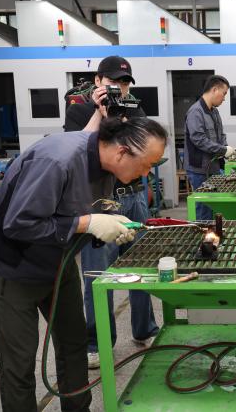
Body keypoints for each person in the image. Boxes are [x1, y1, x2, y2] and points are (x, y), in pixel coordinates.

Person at [0, 116, 167, 411]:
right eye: (146, 165)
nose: (146, 174)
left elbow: (84, 210)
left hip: (57, 263)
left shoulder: (105, 168)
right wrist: (86, 223)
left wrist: (108, 224)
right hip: (11, 267)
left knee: (74, 346)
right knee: (19, 363)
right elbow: (18, 224)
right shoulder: (58, 161)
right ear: (122, 152)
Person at [64, 55, 159, 369]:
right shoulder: (79, 108)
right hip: (102, 202)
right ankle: (96, 341)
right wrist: (99, 111)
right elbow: (77, 148)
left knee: (143, 268)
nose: (119, 88)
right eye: (113, 82)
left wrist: (125, 114)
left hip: (135, 198)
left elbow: (144, 147)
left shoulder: (134, 107)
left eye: (125, 82)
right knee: (97, 275)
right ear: (97, 81)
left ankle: (145, 329)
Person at [184, 74, 235, 220]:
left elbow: (220, 134)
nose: (224, 98)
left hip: (213, 166)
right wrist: (222, 150)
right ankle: (204, 240)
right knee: (204, 207)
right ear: (214, 90)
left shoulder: (214, 111)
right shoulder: (195, 112)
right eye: (224, 93)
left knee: (214, 206)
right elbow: (198, 139)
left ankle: (212, 236)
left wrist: (226, 148)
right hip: (199, 169)